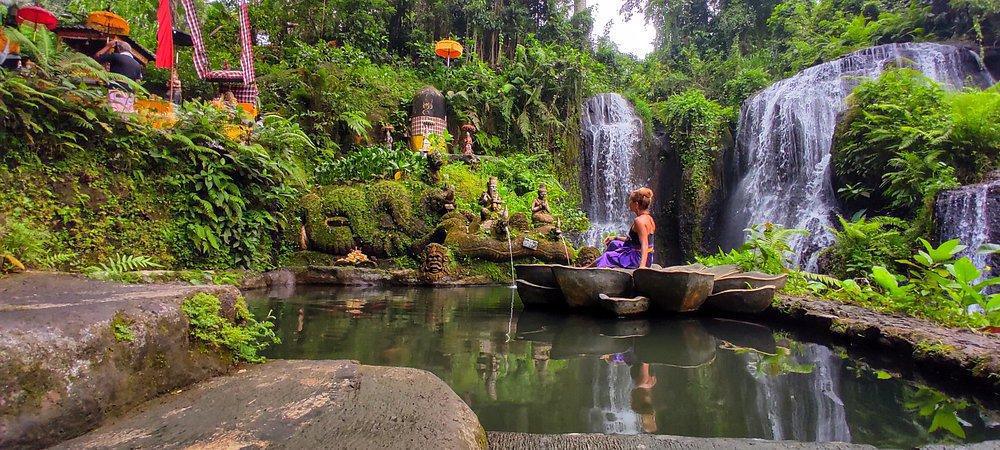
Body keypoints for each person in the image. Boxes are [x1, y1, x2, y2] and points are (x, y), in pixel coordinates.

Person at [592, 187, 656, 269]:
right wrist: (615, 237)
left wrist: (642, 266)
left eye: (630, 201)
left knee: (607, 256)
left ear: (636, 205)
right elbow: (634, 240)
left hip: (638, 258)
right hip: (644, 255)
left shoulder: (639, 221)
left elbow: (645, 244)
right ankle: (591, 266)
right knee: (614, 243)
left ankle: (595, 269)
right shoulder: (649, 218)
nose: (628, 204)